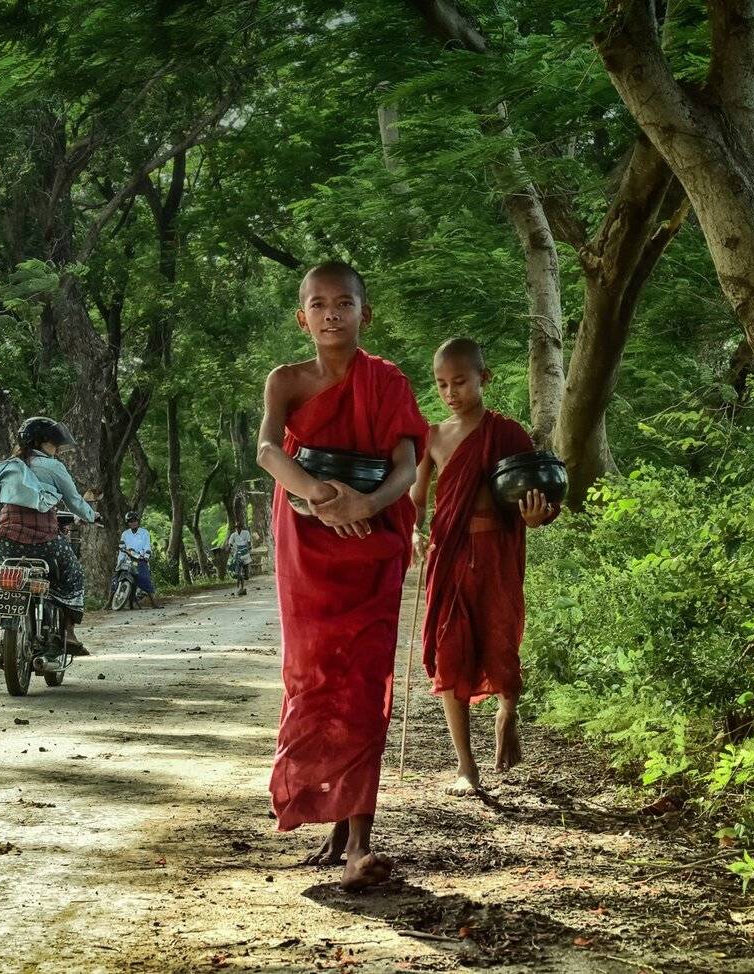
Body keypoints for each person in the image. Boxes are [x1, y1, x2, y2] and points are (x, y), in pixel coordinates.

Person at [257, 260, 428, 891]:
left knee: (363, 680)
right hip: (306, 533)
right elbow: (269, 449)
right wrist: (319, 495)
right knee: (315, 673)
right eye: (320, 304)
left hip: (372, 535)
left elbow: (407, 465)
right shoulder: (287, 380)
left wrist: (365, 504)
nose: (333, 314)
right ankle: (330, 818)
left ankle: (359, 843)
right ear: (302, 316)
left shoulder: (387, 381)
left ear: (365, 312)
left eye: (345, 303)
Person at [410, 338, 559, 797]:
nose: (450, 392)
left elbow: (538, 496)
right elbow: (418, 498)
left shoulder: (506, 432)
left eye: (459, 382)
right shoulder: (432, 437)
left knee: (500, 639)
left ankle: (507, 712)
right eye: (441, 384)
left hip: (495, 552)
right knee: (450, 650)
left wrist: (539, 515)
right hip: (449, 556)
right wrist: (416, 531)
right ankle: (465, 766)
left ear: (483, 378)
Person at [0, 417, 97, 653]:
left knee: (4, 580)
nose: (56, 449)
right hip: (47, 544)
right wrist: (92, 516)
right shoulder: (53, 467)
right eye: (54, 443)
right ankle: (68, 632)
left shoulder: (3, 468)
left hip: (9, 544)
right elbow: (74, 502)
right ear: (42, 442)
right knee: (73, 574)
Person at [118, 512, 159, 609]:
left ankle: (154, 603)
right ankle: (109, 602)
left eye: (135, 520)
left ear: (138, 521)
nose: (133, 523)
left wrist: (145, 556)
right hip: (126, 559)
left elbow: (147, 546)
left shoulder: (144, 532)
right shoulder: (125, 534)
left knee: (144, 578)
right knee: (116, 579)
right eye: (130, 521)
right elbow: (122, 545)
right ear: (128, 523)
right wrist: (124, 550)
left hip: (140, 559)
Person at [227, 518, 253, 597]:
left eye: (239, 527)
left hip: (244, 551)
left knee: (246, 571)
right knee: (236, 569)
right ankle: (239, 586)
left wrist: (248, 546)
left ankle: (246, 572)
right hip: (237, 552)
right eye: (236, 527)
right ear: (235, 528)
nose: (238, 528)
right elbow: (230, 543)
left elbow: (248, 541)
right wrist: (229, 547)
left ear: (241, 527)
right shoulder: (233, 535)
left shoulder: (246, 533)